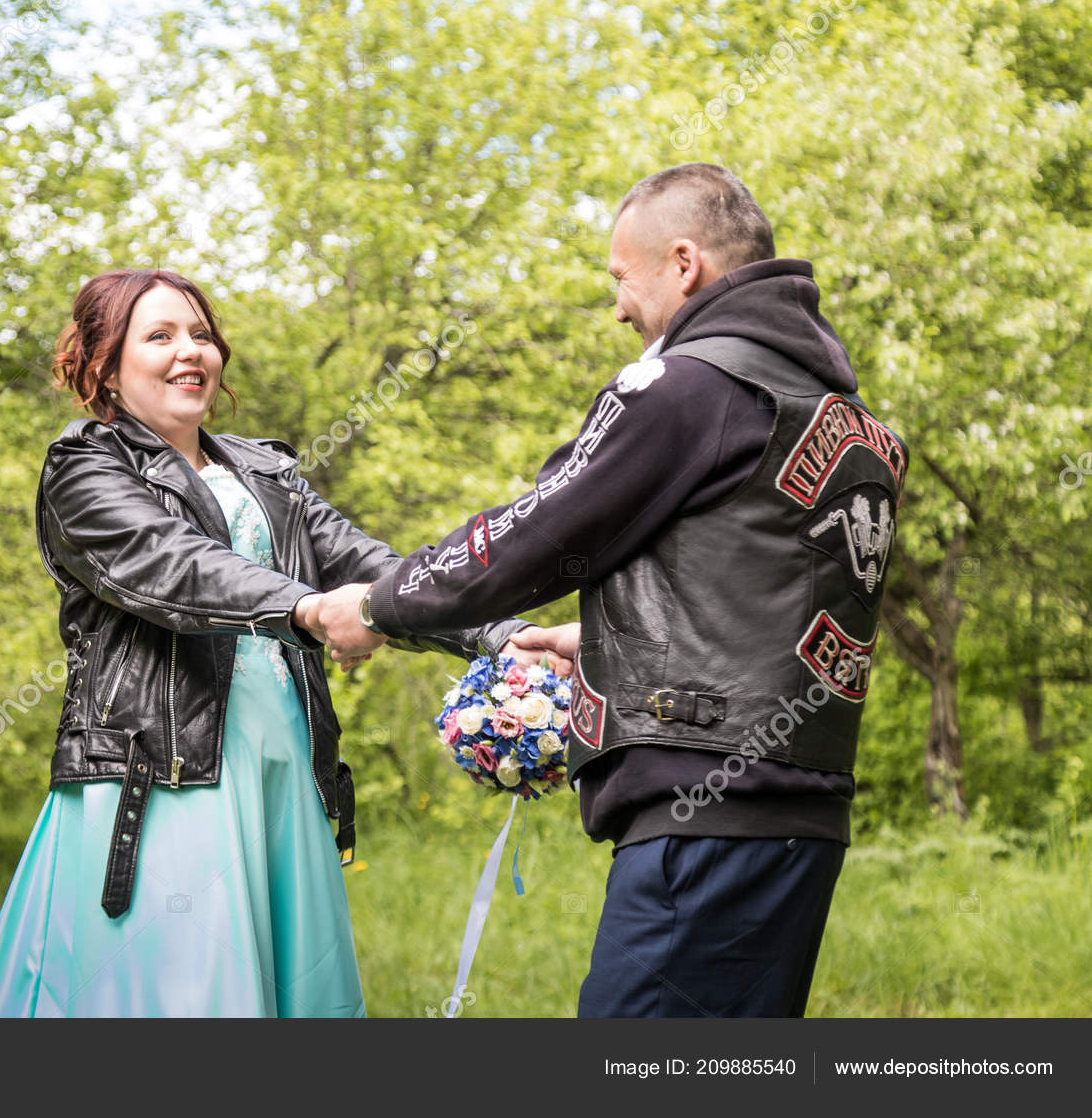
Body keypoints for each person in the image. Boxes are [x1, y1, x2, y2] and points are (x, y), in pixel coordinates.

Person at [317, 164, 909, 1018]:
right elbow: (757, 593)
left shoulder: (686, 385)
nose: (617, 308)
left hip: (701, 813)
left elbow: (536, 531)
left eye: (619, 279)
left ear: (682, 262)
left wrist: (379, 603)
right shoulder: (849, 423)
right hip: (802, 819)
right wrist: (604, 646)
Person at [0, 267, 547, 1018]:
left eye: (201, 334)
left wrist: (505, 635)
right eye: (161, 336)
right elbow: (177, 569)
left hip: (281, 764)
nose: (190, 352)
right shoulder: (84, 466)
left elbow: (374, 569)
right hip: (162, 778)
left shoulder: (267, 470)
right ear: (107, 366)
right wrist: (308, 609)